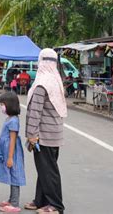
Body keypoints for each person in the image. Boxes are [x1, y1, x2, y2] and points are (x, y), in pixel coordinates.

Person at [25, 48, 66, 214]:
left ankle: (56, 205)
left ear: (40, 61)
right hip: (54, 133)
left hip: (44, 135)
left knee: (48, 170)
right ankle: (40, 200)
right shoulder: (55, 80)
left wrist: (32, 135)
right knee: (45, 169)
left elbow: (35, 111)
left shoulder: (42, 82)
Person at [0, 91, 25, 213]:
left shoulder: (13, 121)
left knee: (14, 174)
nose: (1, 107)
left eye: (2, 104)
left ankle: (15, 204)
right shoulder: (9, 119)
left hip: (12, 152)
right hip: (6, 151)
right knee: (11, 174)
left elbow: (13, 139)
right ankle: (11, 199)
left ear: (9, 104)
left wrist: (10, 157)